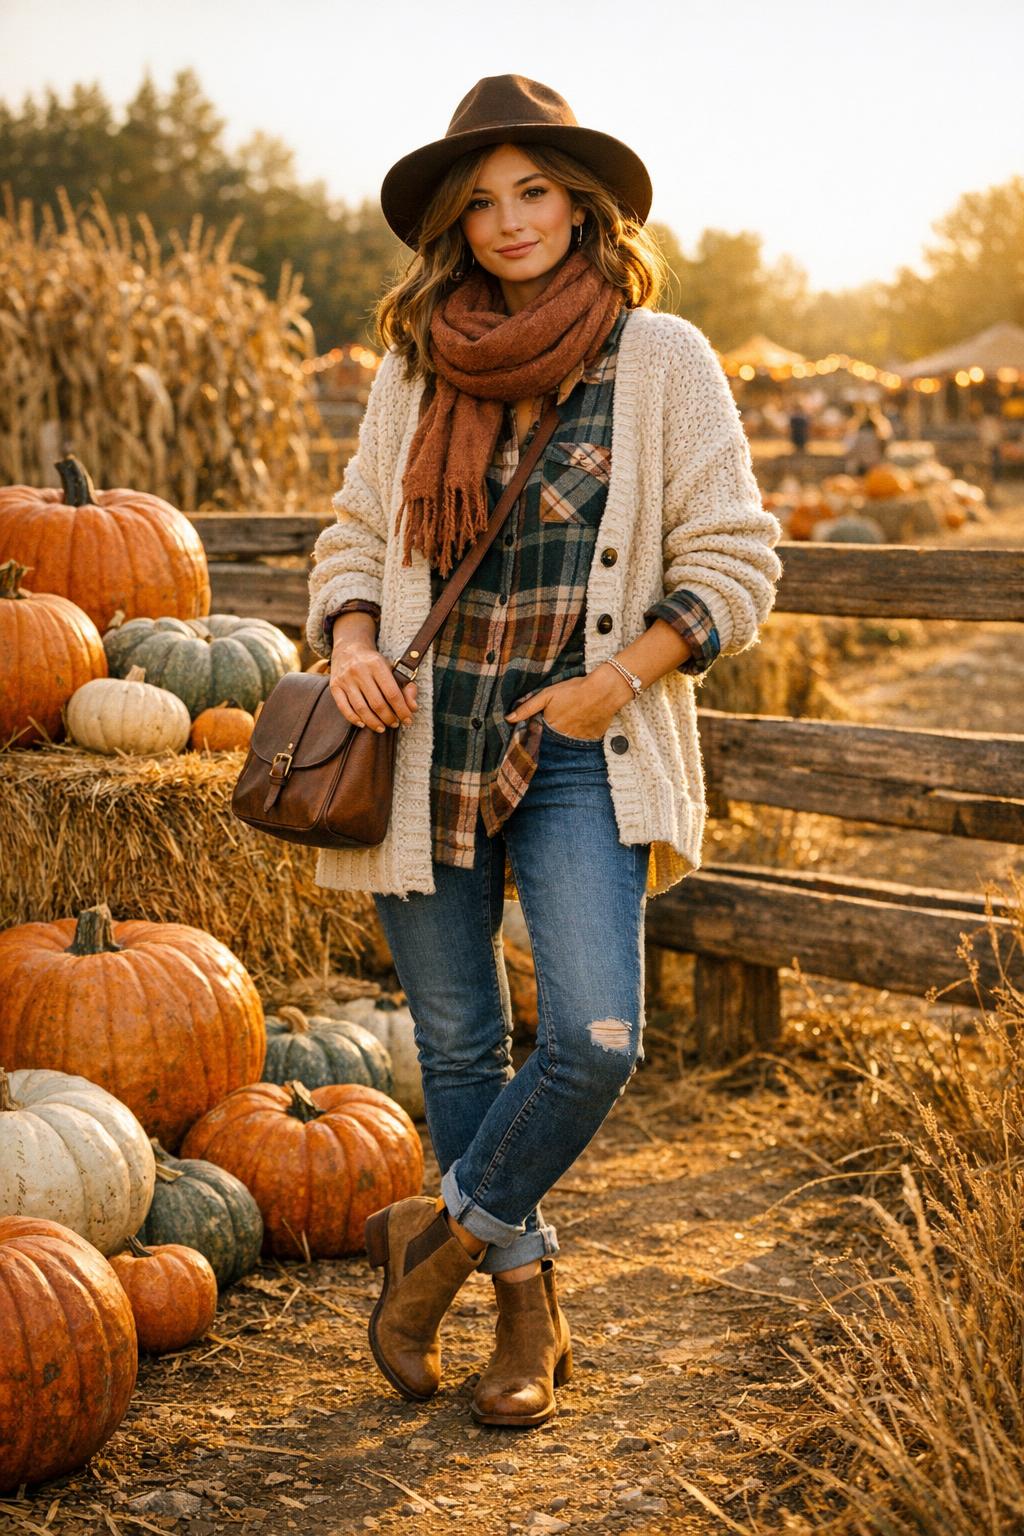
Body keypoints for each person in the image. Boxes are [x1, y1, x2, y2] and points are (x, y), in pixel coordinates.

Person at [304, 74, 783, 1430]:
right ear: (456, 221)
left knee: (593, 1034)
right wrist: (348, 642)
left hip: (582, 739)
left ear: (583, 205)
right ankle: (524, 1305)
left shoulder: (664, 359)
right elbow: (353, 538)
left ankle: (432, 1245)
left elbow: (739, 562)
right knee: (457, 1046)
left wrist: (615, 682)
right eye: (485, 200)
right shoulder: (414, 366)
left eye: (535, 193)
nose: (511, 223)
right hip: (423, 737)